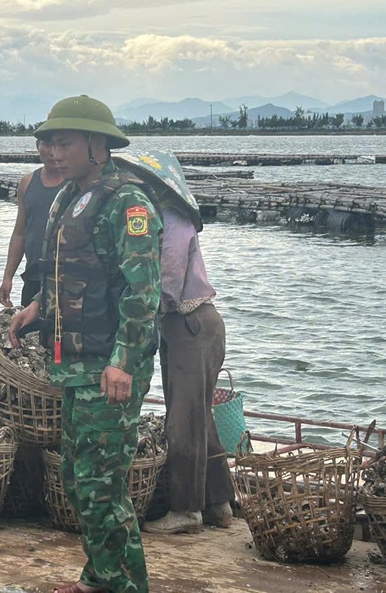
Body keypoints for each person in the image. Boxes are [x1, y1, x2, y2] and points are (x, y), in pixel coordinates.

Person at [9, 96, 162, 593]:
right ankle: (101, 577)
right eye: (49, 142)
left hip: (109, 364)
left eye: (64, 142)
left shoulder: (127, 202)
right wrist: (36, 307)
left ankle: (123, 585)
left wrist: (124, 362)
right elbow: (66, 272)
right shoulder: (65, 197)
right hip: (74, 363)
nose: (52, 152)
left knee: (101, 485)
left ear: (98, 145)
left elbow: (144, 292)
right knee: (78, 478)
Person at [141, 191, 234, 534]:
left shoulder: (174, 219)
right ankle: (218, 504)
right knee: (199, 417)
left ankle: (185, 510)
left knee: (182, 420)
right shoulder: (164, 218)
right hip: (189, 326)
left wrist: (140, 315)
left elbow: (168, 281)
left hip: (190, 324)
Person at [0, 138, 64, 307]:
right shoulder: (27, 183)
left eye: (59, 144)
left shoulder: (76, 184)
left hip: (66, 278)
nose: (52, 152)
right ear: (38, 146)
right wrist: (8, 277)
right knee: (28, 330)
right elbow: (20, 233)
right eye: (47, 144)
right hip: (34, 275)